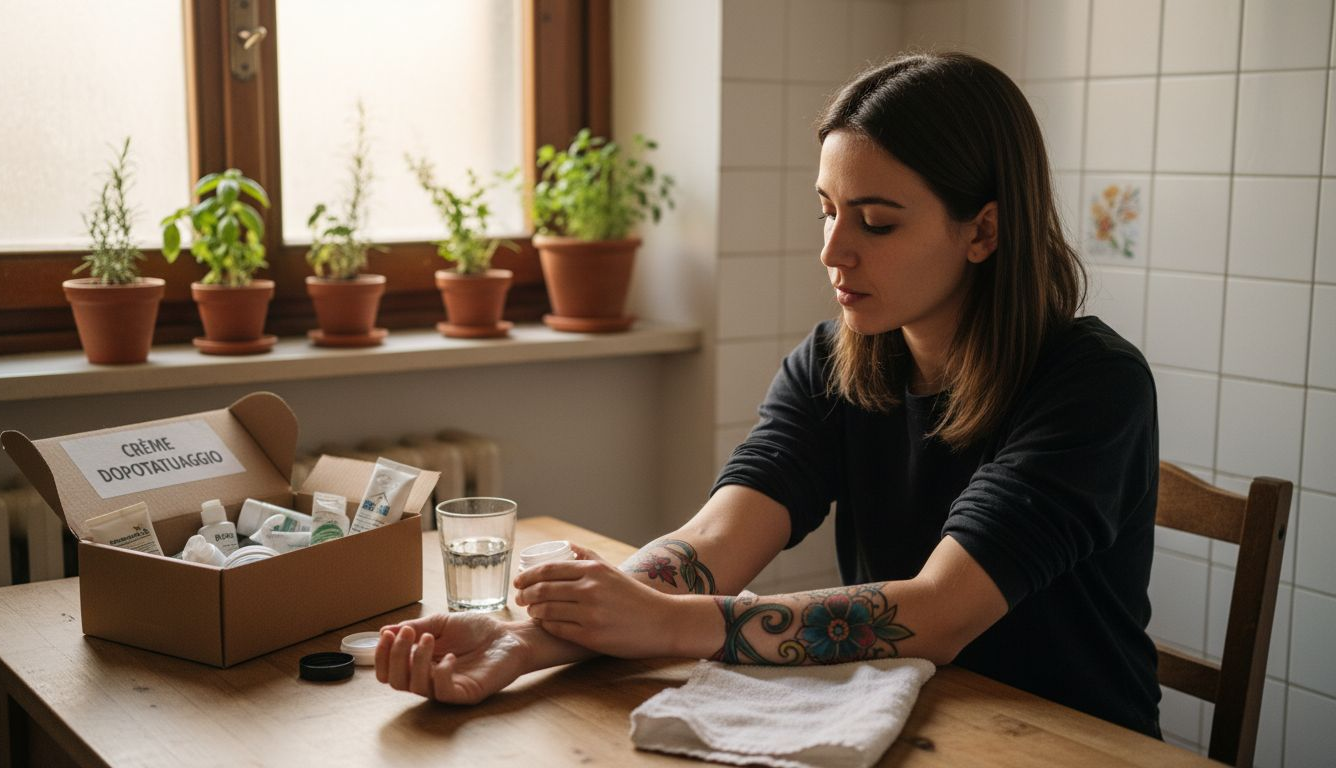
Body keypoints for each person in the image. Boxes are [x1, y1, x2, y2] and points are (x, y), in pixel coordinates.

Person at [375, 51, 1162, 738]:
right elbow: (714, 543)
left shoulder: (1093, 387)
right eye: (827, 211)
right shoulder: (831, 364)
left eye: (876, 222)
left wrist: (665, 623)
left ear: (983, 231)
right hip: (914, 720)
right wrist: (529, 641)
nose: (832, 250)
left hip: (1079, 742)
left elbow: (937, 613)